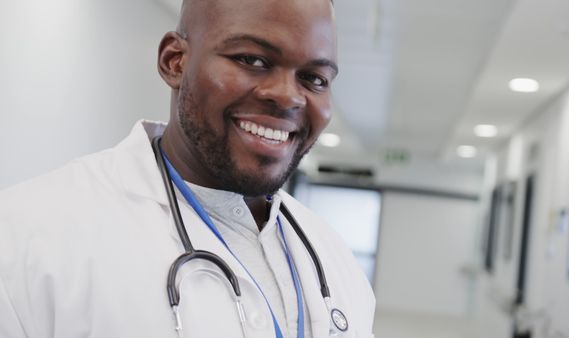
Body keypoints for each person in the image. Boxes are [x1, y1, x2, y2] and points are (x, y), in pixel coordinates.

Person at [0, 0, 376, 337]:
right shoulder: (27, 238)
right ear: (174, 61)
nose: (288, 96)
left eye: (314, 79)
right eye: (253, 60)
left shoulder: (334, 259)